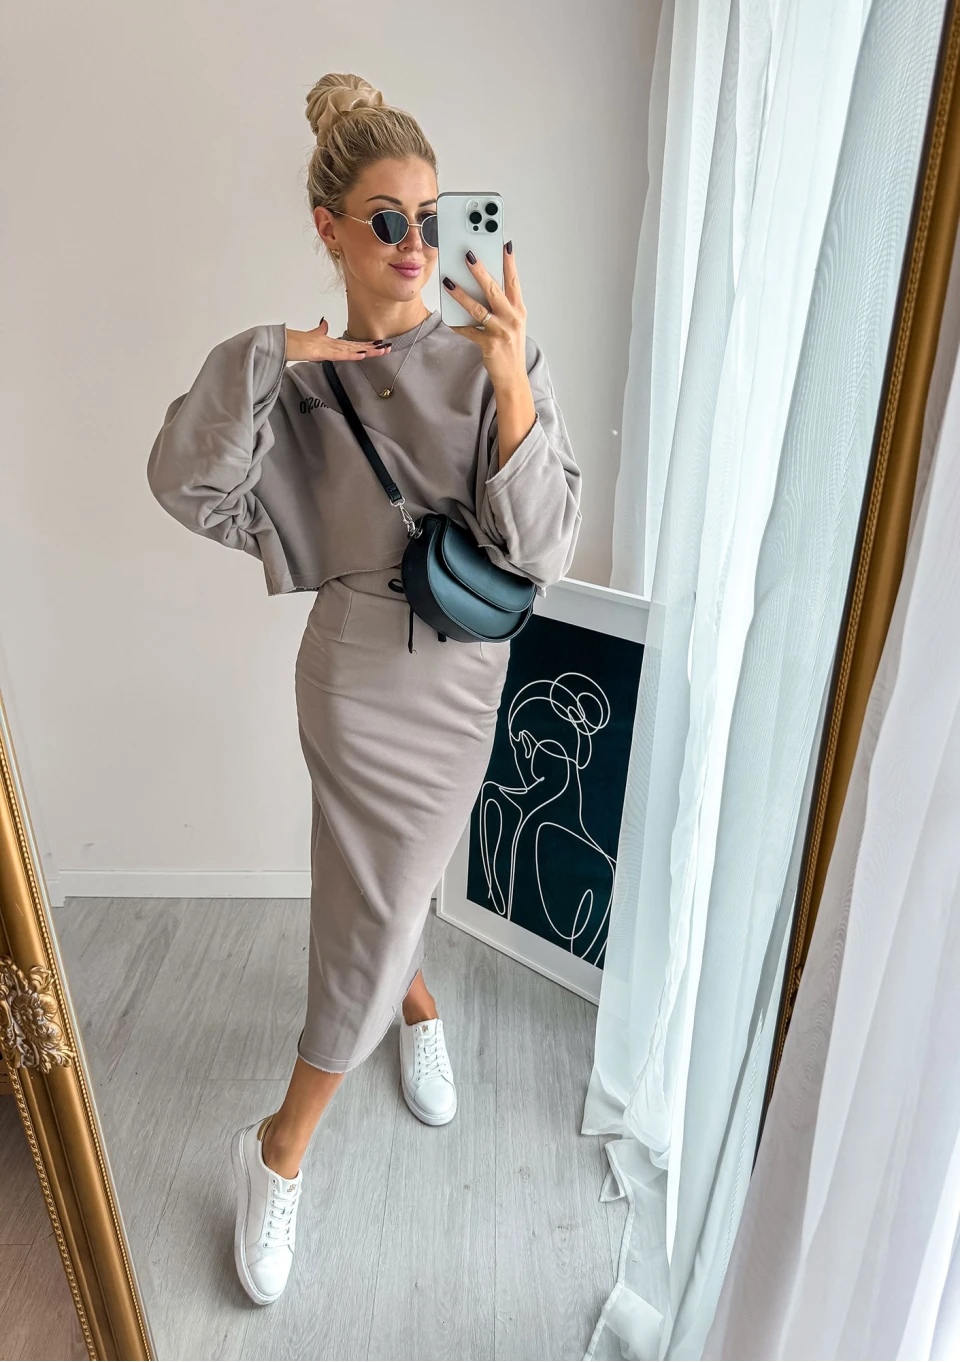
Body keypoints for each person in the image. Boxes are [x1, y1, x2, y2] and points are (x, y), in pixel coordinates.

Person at [146, 72, 582, 1305]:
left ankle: (414, 998)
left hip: (465, 672)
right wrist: (267, 353)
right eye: (386, 219)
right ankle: (280, 1147)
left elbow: (544, 549)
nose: (414, 244)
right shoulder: (291, 382)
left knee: (386, 890)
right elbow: (189, 488)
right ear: (329, 229)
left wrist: (510, 377)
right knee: (375, 900)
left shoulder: (495, 352)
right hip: (351, 672)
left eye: (431, 218)